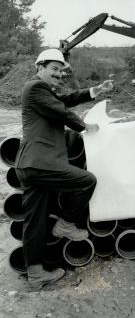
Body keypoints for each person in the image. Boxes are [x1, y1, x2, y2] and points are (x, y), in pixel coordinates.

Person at [15, 48, 113, 290]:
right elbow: (61, 110)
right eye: (54, 69)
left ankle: (36, 274)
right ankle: (66, 223)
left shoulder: (45, 92)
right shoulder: (35, 87)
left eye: (62, 72)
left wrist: (94, 91)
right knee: (87, 180)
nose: (59, 75)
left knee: (34, 221)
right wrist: (83, 126)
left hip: (28, 166)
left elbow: (65, 100)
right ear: (40, 67)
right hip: (40, 162)